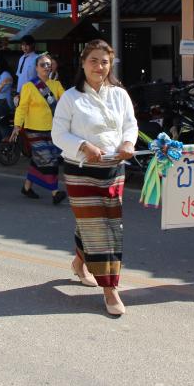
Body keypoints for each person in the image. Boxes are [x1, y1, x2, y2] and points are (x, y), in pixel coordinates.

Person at [52, 39, 138, 316]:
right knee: (100, 228)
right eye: (94, 60)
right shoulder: (70, 98)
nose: (99, 66)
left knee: (100, 223)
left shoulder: (120, 94)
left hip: (114, 170)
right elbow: (58, 134)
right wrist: (83, 146)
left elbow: (130, 124)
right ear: (83, 62)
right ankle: (110, 289)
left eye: (104, 61)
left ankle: (79, 263)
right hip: (81, 172)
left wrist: (127, 143)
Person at [11, 53, 68, 205]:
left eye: (49, 64)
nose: (46, 67)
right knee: (49, 160)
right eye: (43, 64)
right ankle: (55, 192)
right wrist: (17, 126)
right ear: (36, 68)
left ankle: (27, 187)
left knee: (39, 159)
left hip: (52, 130)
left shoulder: (56, 85)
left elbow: (67, 102)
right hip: (33, 130)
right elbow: (22, 108)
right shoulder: (29, 87)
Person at [14, 35, 39, 105]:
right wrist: (17, 92)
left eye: (27, 45)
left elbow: (40, 77)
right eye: (22, 45)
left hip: (32, 92)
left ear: (32, 45)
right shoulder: (21, 58)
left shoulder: (37, 58)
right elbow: (19, 76)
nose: (24, 47)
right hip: (21, 93)